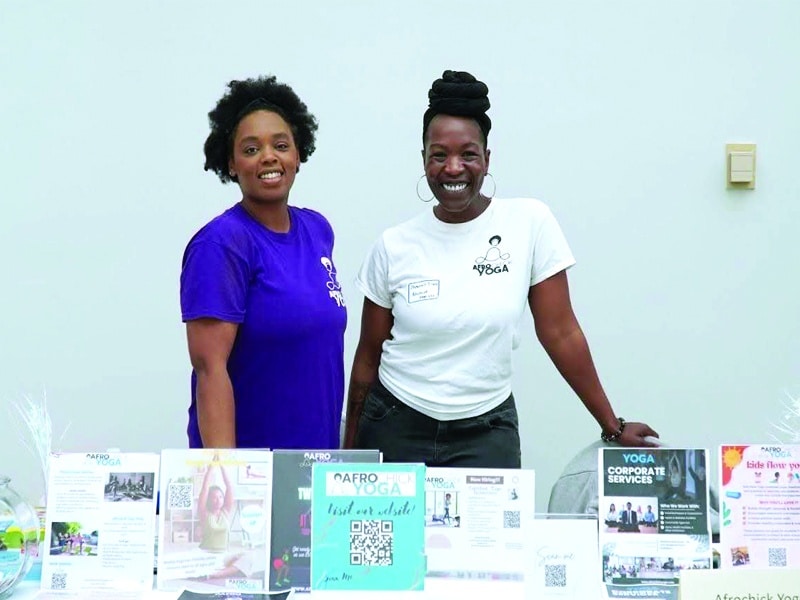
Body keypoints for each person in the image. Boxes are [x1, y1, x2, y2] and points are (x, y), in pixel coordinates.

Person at [343, 69, 657, 466]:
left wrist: (611, 424)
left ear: (487, 159)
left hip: (486, 431)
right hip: (395, 423)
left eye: (468, 154)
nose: (453, 167)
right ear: (423, 160)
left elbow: (561, 333)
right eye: (438, 155)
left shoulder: (528, 223)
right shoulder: (394, 245)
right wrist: (348, 452)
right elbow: (367, 357)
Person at [181, 75, 347, 449]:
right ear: (231, 163)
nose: (269, 157)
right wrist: (226, 473)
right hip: (252, 469)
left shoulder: (318, 230)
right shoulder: (221, 244)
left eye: (281, 145)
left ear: (298, 155)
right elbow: (210, 369)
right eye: (251, 149)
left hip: (316, 461)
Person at [198, 457, 235, 552]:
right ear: (208, 499)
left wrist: (221, 465)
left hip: (223, 553)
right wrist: (211, 467)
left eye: (220, 497)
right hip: (206, 554)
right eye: (214, 497)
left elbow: (229, 487)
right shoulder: (204, 513)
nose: (218, 500)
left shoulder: (225, 512)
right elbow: (205, 488)